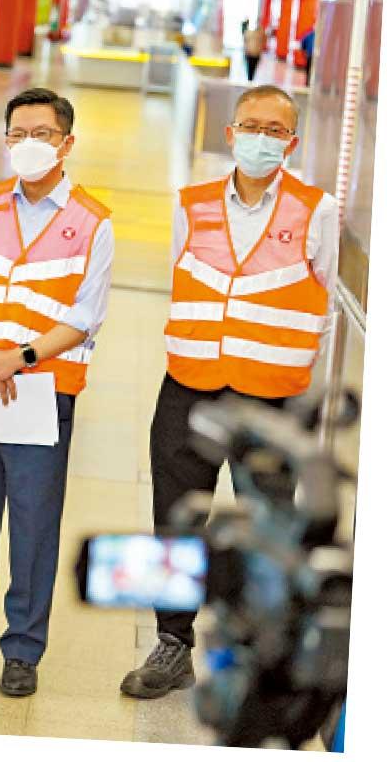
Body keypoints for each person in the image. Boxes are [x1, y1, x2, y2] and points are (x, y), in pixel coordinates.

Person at [121, 84, 337, 699]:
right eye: (252, 125)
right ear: (230, 132)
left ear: (292, 143)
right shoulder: (190, 205)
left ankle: (259, 651)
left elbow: (320, 307)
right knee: (175, 515)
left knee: (268, 528)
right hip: (189, 388)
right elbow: (181, 279)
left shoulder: (314, 210)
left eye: (276, 129)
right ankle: (172, 646)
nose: (262, 137)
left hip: (270, 397)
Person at [0, 87, 115, 698]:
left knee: (34, 526)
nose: (27, 145)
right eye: (17, 134)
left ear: (67, 143)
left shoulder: (92, 221)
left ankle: (23, 650)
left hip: (44, 394)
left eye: (40, 134)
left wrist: (21, 358)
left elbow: (86, 315)